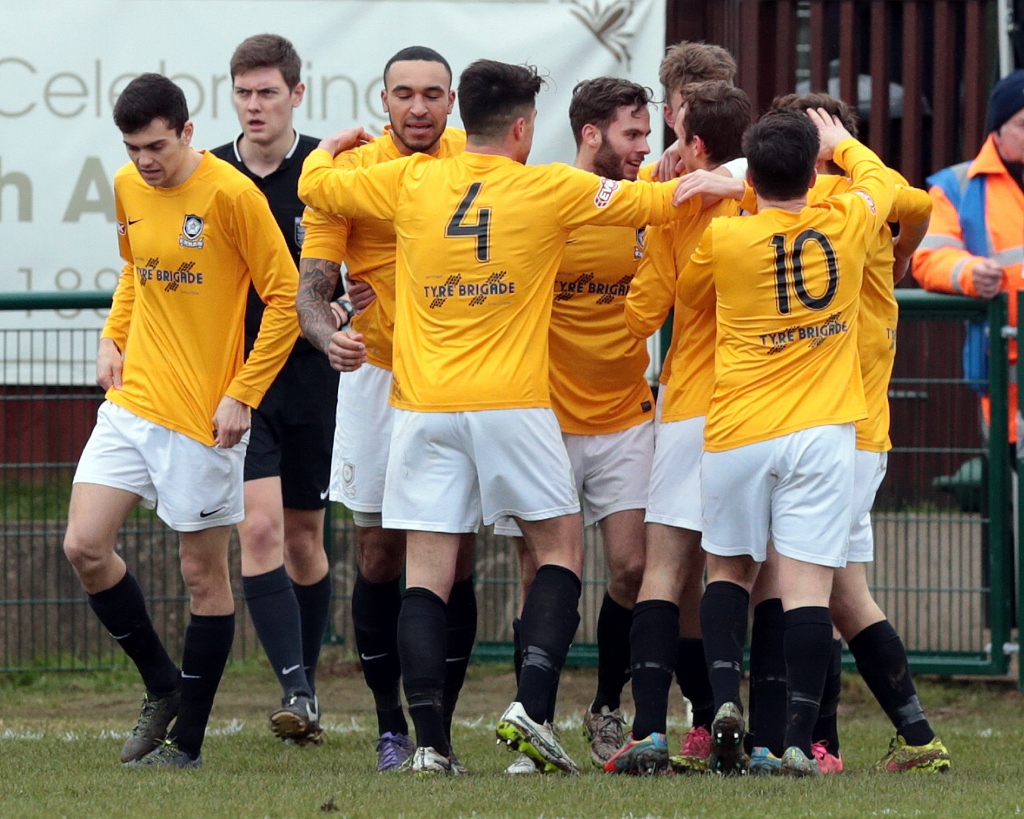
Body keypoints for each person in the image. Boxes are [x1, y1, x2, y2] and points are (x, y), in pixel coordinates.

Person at [298, 58, 705, 775]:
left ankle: (428, 745)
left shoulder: (410, 179)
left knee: (425, 573)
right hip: (514, 404)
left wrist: (326, 153)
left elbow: (317, 186)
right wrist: (703, 171)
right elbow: (658, 204)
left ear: (461, 119)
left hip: (423, 408)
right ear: (523, 128)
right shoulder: (551, 186)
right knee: (561, 551)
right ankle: (532, 704)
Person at [62, 73, 300, 768]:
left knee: (203, 577)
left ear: (189, 132)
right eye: (134, 148)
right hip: (134, 404)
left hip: (205, 418)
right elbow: (135, 270)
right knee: (83, 545)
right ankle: (162, 685)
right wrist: (113, 334)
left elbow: (284, 299)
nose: (145, 162)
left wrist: (243, 392)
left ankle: (186, 742)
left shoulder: (231, 194)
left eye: (157, 146)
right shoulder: (128, 186)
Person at [681, 108, 894, 776]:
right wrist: (846, 144)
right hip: (822, 432)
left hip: (740, 428)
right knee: (805, 587)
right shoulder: (848, 220)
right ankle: (798, 742)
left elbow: (684, 296)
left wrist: (736, 193)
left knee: (728, 571)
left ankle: (722, 703)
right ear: (813, 169)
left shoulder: (725, 239)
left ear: (753, 174)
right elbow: (881, 183)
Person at [741, 92, 949, 776]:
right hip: (857, 434)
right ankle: (916, 736)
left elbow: (907, 203)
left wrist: (841, 154)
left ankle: (816, 743)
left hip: (834, 430)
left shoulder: (830, 207)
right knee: (841, 593)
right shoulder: (869, 206)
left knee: (802, 587)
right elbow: (910, 206)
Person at [295, 46, 477, 773]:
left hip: (460, 379)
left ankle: (441, 724)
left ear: (454, 101)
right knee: (378, 553)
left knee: (456, 558)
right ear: (384, 102)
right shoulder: (348, 175)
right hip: (376, 380)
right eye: (405, 94)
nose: (420, 107)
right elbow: (314, 287)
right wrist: (327, 332)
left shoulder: (473, 156)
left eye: (433, 94)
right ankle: (387, 723)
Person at [493, 76, 655, 772]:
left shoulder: (646, 201)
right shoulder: (548, 199)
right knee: (541, 576)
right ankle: (536, 720)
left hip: (625, 413)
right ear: (591, 135)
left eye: (648, 135)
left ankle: (606, 707)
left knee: (633, 567)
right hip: (545, 418)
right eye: (632, 134)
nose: (643, 149)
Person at [602, 79, 751, 775]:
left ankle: (648, 729)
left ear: (691, 143)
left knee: (663, 567)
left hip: (692, 403)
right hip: (764, 407)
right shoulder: (767, 191)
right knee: (746, 572)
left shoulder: (674, 214)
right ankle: (736, 713)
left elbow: (638, 318)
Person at [208, 34, 335, 746]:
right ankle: (293, 685)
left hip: (311, 377)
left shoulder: (324, 169)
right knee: (258, 529)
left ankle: (305, 688)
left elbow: (354, 273)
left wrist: (346, 306)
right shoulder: (212, 174)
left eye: (267, 92)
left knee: (306, 542)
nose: (255, 105)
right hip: (239, 381)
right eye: (243, 92)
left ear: (296, 93)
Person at [913, 70, 1024, 446]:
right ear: (996, 130)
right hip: (1004, 367)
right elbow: (929, 257)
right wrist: (971, 272)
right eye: (1022, 124)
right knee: (1011, 486)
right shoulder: (957, 186)